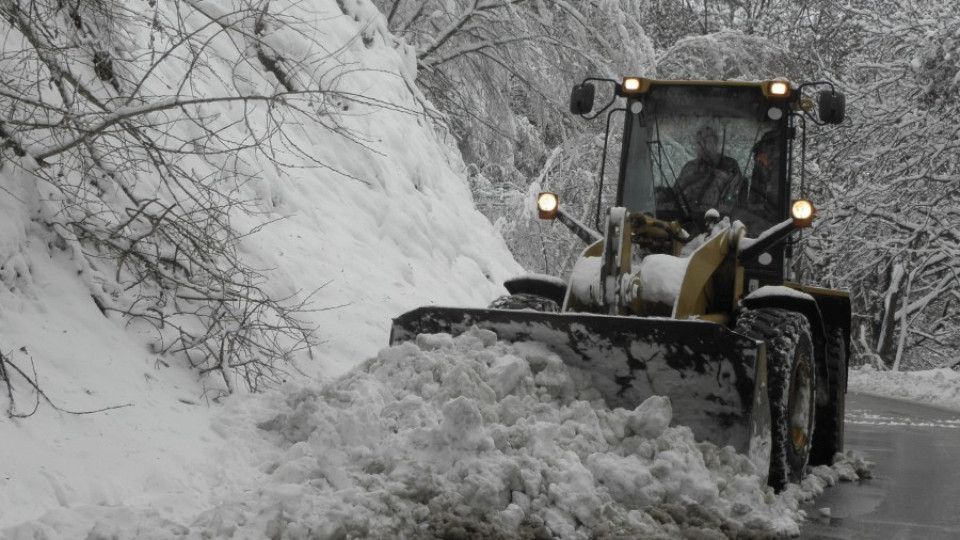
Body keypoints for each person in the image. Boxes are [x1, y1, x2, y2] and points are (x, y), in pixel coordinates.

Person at [675, 125, 742, 228]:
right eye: (698, 143)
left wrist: (725, 180)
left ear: (715, 142)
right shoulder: (690, 167)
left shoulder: (730, 166)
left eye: (706, 141)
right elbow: (677, 194)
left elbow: (733, 197)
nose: (702, 146)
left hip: (719, 225)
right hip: (690, 223)